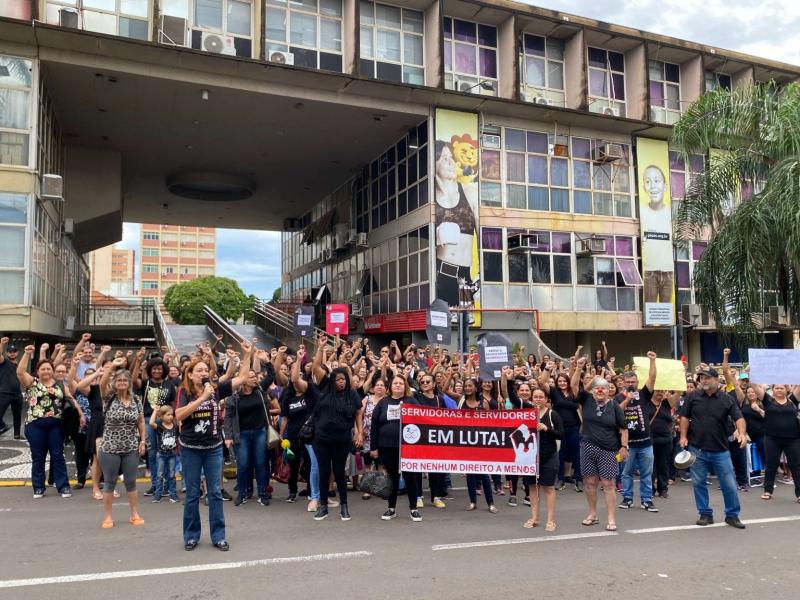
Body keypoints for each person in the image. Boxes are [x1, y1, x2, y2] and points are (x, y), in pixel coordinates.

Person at [176, 355, 235, 551]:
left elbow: (240, 377)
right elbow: (179, 415)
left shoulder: (214, 389)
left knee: (215, 493)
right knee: (192, 493)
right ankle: (191, 536)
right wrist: (202, 398)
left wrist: (244, 355)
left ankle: (218, 536)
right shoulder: (183, 391)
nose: (203, 373)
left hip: (213, 448)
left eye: (205, 370)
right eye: (198, 371)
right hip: (190, 449)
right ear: (190, 375)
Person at [678, 362, 747, 529]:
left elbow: (739, 417)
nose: (704, 380)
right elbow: (684, 418)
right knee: (698, 483)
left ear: (717, 379)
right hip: (697, 449)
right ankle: (705, 514)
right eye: (701, 377)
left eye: (707, 377)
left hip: (721, 451)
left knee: (729, 484)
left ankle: (732, 515)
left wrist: (742, 433)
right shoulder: (692, 396)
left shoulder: (726, 398)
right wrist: (683, 436)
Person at [17, 345, 85, 499]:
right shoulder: (32, 383)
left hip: (56, 426)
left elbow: (71, 399)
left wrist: (81, 414)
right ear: (38, 371)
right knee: (38, 456)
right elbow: (20, 372)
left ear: (52, 371)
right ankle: (39, 487)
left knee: (58, 455)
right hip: (35, 425)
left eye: (49, 369)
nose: (46, 371)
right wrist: (27, 354)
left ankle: (63, 487)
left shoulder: (60, 384)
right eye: (43, 369)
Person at [310, 334, 364, 522]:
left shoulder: (351, 394)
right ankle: (323, 506)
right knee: (324, 471)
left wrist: (359, 431)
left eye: (343, 379)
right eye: (338, 379)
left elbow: (358, 412)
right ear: (333, 380)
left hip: (342, 440)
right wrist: (320, 348)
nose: (341, 382)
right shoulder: (324, 387)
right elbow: (316, 367)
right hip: (322, 439)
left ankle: (344, 506)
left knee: (340, 472)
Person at [572, 360, 628, 532]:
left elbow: (624, 428)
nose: (600, 390)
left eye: (604, 387)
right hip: (587, 447)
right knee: (589, 483)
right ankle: (592, 514)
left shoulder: (615, 407)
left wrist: (624, 447)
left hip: (609, 450)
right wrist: (579, 368)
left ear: (609, 391)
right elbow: (574, 386)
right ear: (593, 390)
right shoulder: (587, 400)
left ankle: (611, 518)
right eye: (597, 388)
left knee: (609, 484)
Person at [96, 359, 145, 528]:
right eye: (119, 380)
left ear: (129, 382)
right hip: (110, 447)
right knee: (110, 482)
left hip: (131, 447)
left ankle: (134, 514)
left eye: (125, 380)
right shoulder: (108, 397)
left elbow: (140, 421)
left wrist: (143, 440)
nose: (122, 383)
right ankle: (108, 517)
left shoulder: (136, 400)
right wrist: (112, 366)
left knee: (131, 482)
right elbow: (102, 383)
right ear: (115, 383)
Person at [434, 140, 479, 319]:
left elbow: (482, 238)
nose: (452, 162)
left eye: (451, 157)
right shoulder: (431, 198)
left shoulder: (469, 191)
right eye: (445, 159)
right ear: (434, 163)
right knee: (445, 326)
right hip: (442, 273)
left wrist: (483, 273)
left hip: (465, 276)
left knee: (467, 322)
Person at [222, 353, 273, 508]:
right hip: (242, 434)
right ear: (243, 380)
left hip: (260, 432)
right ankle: (243, 493)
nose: (255, 379)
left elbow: (271, 375)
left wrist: (267, 361)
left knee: (260, 463)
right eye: (251, 377)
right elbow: (229, 417)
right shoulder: (234, 397)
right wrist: (229, 436)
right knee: (243, 465)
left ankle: (263, 493)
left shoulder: (260, 391)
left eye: (255, 377)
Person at [371, 375, 422, 522]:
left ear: (405, 386)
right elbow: (375, 424)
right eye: (395, 383)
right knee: (392, 478)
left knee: (410, 477)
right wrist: (374, 447)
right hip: (387, 446)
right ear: (390, 386)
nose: (398, 385)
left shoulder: (412, 401)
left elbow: (421, 420)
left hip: (407, 447)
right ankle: (391, 508)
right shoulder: (383, 402)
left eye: (401, 383)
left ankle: (414, 509)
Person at [618, 352, 659, 513]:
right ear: (623, 383)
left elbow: (653, 378)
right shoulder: (617, 397)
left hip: (645, 443)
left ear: (637, 382)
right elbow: (617, 412)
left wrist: (652, 360)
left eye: (633, 382)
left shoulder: (643, 394)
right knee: (626, 473)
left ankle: (647, 500)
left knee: (646, 473)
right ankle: (627, 499)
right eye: (628, 382)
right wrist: (627, 398)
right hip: (626, 445)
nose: (630, 384)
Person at [133, 352, 176, 497]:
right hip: (147, 420)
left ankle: (166, 485)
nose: (157, 371)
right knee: (152, 453)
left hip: (165, 422)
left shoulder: (169, 384)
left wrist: (174, 420)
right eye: (154, 368)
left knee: (166, 452)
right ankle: (155, 485)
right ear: (150, 369)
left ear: (164, 370)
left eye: (160, 368)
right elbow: (133, 380)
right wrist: (138, 361)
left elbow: (172, 404)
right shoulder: (145, 383)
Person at [278, 347, 316, 504]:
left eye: (300, 375)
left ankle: (311, 490)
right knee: (293, 464)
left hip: (308, 435)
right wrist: (281, 435)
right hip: (293, 435)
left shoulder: (309, 393)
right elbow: (285, 417)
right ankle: (292, 491)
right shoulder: (287, 395)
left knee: (309, 463)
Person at [750, 383, 800, 502]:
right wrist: (750, 373)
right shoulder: (768, 400)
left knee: (796, 466)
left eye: (781, 388)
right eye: (776, 388)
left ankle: (799, 494)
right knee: (771, 464)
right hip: (772, 438)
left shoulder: (793, 400)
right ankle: (768, 491)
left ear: (786, 389)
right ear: (772, 390)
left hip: (792, 439)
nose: (779, 390)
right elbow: (755, 388)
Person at [459, 378, 498, 514]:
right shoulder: (462, 402)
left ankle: (491, 503)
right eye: (466, 386)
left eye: (470, 386)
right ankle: (472, 502)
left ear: (476, 388)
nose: (468, 388)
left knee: (484, 474)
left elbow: (490, 423)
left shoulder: (484, 403)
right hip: (467, 443)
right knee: (470, 474)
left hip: (481, 443)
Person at [640, 164, 674, 304]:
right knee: (649, 316)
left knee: (666, 316)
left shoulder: (671, 213)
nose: (653, 186)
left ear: (665, 186)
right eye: (648, 181)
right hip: (650, 271)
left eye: (657, 181)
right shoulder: (641, 211)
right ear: (643, 187)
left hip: (668, 272)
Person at [149, 405, 179, 503]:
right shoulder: (160, 427)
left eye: (171, 415)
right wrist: (155, 411)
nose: (170, 417)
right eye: (168, 415)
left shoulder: (175, 426)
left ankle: (173, 495)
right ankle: (158, 495)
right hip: (161, 455)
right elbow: (151, 423)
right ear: (161, 416)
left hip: (172, 454)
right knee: (160, 475)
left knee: (171, 475)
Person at [0, 337, 23, 438]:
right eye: (9, 351)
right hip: (4, 393)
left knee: (17, 416)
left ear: (17, 353)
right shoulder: (3, 362)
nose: (12, 353)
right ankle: (3, 426)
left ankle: (17, 435)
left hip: (17, 394)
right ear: (7, 353)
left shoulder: (20, 365)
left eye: (14, 351)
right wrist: (1, 344)